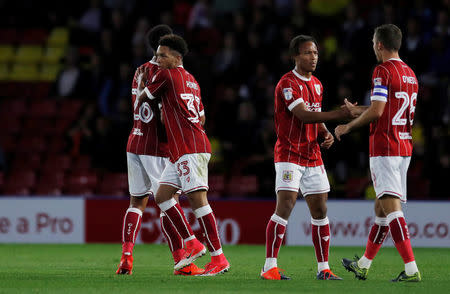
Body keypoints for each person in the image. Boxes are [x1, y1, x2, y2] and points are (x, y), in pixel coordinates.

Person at [260, 35, 354, 281]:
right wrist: (341, 115)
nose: (313, 57)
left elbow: (315, 115)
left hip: (312, 155)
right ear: (295, 56)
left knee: (320, 210)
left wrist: (325, 132)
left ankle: (324, 268)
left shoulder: (318, 85)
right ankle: (269, 267)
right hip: (290, 153)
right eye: (307, 53)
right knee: (287, 204)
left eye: (315, 53)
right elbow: (303, 115)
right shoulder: (287, 84)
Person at [138, 34, 230, 276]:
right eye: (156, 55)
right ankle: (191, 241)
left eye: (162, 55)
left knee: (199, 202)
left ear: (177, 58)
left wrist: (142, 83)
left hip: (190, 149)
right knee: (163, 196)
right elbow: (202, 117)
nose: (157, 59)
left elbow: (142, 98)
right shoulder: (192, 80)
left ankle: (219, 257)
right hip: (184, 148)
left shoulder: (165, 75)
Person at [335, 24, 421, 282]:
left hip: (385, 147)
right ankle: (363, 263)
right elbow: (386, 106)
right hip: (404, 146)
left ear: (380, 45)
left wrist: (348, 126)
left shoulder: (382, 70)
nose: (373, 47)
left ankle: (411, 269)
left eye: (374, 43)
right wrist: (357, 108)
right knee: (381, 207)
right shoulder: (410, 74)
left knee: (392, 209)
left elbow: (378, 111)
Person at [116, 25, 203, 276]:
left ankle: (127, 257)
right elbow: (167, 114)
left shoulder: (140, 70)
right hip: (157, 146)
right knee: (169, 201)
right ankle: (183, 257)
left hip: (135, 140)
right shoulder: (167, 73)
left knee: (136, 202)